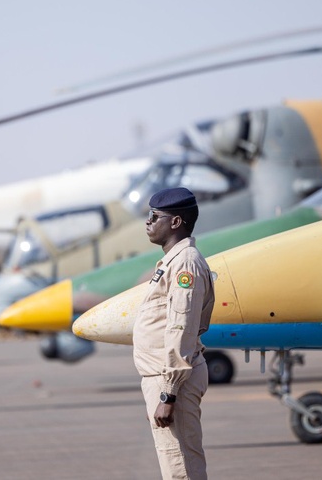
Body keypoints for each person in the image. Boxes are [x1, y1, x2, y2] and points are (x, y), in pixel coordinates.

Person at [132, 187, 215, 479]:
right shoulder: (173, 261)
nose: (149, 222)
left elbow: (182, 328)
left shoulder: (185, 264)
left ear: (176, 222)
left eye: (155, 216)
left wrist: (168, 394)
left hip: (173, 379)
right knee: (175, 464)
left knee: (181, 467)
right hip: (164, 377)